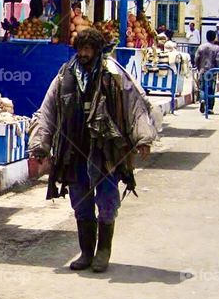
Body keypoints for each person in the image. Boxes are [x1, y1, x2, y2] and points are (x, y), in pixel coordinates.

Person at [29, 28, 158, 273]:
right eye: (81, 49)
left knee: (107, 199)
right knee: (80, 202)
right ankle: (86, 252)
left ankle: (103, 252)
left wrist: (143, 138)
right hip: (74, 150)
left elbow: (136, 105)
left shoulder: (114, 74)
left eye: (89, 49)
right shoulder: (64, 75)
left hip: (106, 151)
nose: (84, 53)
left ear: (98, 50)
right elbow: (47, 111)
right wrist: (40, 144)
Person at [194, 29, 219, 113]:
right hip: (212, 71)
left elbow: (196, 58)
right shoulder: (217, 48)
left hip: (203, 70)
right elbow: (218, 60)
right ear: (214, 38)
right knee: (211, 89)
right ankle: (210, 108)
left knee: (202, 87)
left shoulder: (201, 47)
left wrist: (198, 67)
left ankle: (202, 100)